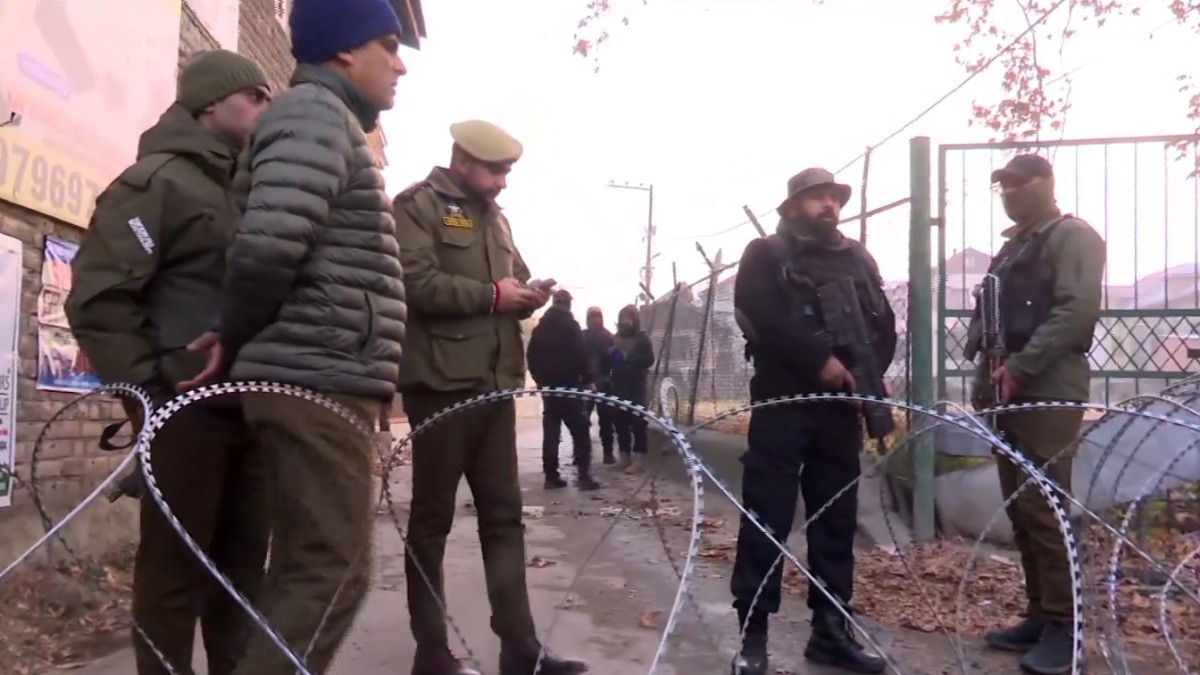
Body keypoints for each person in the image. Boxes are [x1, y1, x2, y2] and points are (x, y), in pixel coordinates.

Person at [177, 1, 409, 672]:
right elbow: (268, 245)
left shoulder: (327, 121)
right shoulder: (314, 115)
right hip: (315, 375)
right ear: (343, 51)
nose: (398, 65)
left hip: (319, 369)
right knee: (331, 568)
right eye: (387, 46)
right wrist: (236, 332)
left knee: (308, 567)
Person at [66, 50, 272, 675]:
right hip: (184, 410)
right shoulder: (156, 181)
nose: (268, 108)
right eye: (257, 96)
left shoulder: (249, 186)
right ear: (213, 103)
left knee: (241, 573)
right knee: (174, 573)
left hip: (252, 405)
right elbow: (100, 298)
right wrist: (154, 390)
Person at [393, 119, 588, 675]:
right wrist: (489, 296)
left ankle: (519, 649)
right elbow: (410, 281)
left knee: (504, 519)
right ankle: (432, 653)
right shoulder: (417, 207)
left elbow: (515, 280)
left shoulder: (496, 218)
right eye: (496, 169)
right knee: (431, 522)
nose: (503, 182)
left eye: (507, 171)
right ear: (462, 160)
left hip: (495, 386)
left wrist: (527, 295)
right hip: (441, 389)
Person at [729, 168, 897, 675]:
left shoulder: (857, 257)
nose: (829, 205)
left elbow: (883, 322)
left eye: (834, 197)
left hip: (840, 411)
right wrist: (818, 360)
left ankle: (831, 632)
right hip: (784, 402)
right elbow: (758, 315)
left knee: (835, 522)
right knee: (768, 517)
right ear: (794, 204)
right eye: (817, 197)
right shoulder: (766, 254)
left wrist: (869, 374)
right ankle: (752, 637)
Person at [965, 154, 1105, 675]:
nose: (1011, 191)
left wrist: (1022, 367)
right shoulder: (1014, 247)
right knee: (1022, 508)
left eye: (1021, 182)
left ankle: (1067, 631)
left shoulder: (1071, 237)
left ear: (1047, 183)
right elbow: (994, 321)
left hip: (1046, 385)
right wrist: (991, 379)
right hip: (1008, 388)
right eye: (1003, 184)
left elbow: (1077, 309)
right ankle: (1040, 614)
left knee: (1046, 508)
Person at [526, 289, 601, 490]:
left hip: (548, 388)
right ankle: (584, 476)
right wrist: (588, 379)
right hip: (569, 387)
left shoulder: (540, 328)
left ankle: (551, 476)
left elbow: (531, 356)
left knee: (551, 430)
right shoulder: (571, 326)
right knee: (580, 429)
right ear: (568, 304)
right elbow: (580, 355)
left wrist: (540, 380)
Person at [607, 304, 655, 473]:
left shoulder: (642, 339)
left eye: (627, 318)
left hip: (636, 386)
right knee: (620, 422)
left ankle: (639, 459)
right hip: (619, 385)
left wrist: (631, 357)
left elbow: (649, 360)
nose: (624, 322)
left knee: (638, 422)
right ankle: (624, 456)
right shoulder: (614, 339)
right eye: (622, 318)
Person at [582, 306, 617, 464]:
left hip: (587, 383)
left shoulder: (583, 336)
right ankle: (607, 454)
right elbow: (613, 360)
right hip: (602, 383)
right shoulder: (609, 336)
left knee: (583, 421)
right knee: (605, 421)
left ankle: (581, 455)